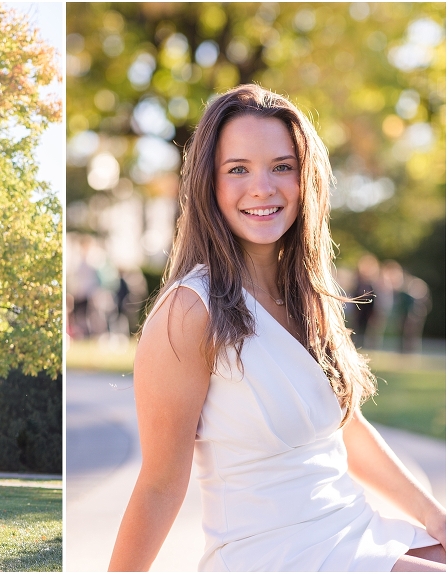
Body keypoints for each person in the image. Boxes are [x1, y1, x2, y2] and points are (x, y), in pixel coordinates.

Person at [108, 85, 445, 572]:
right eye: (238, 169)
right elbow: (159, 486)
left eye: (281, 166)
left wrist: (437, 521)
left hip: (350, 528)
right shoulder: (189, 312)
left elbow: (345, 427)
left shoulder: (307, 294)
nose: (262, 187)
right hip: (274, 555)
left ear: (305, 179)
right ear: (209, 184)